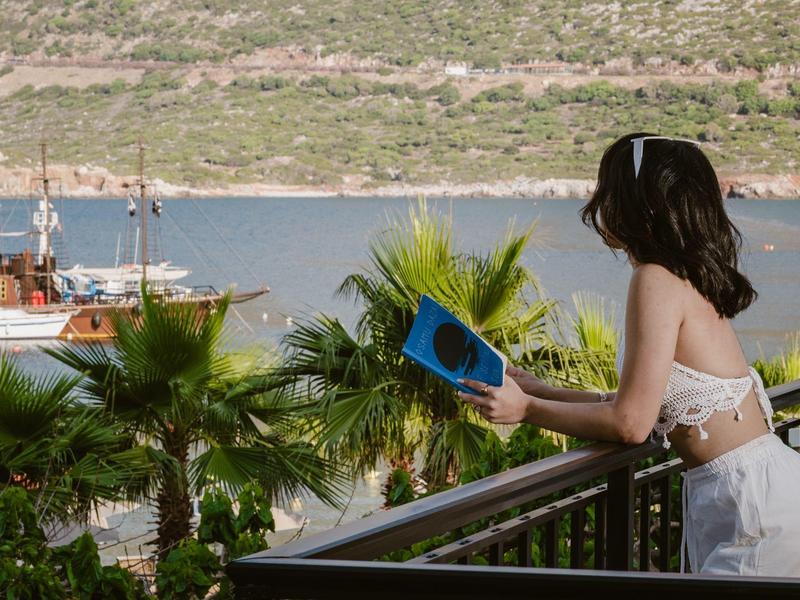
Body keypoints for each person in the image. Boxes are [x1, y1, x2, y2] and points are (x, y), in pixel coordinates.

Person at [456, 132, 800, 576]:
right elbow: (631, 403)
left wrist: (526, 409)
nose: (601, 205)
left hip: (750, 506)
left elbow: (629, 423)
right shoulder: (684, 277)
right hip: (752, 493)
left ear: (638, 203)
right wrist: (544, 390)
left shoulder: (656, 279)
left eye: (609, 190)